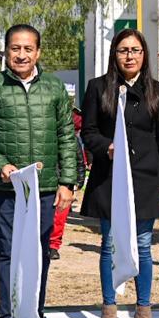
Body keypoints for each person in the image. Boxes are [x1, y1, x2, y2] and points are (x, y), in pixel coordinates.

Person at [0, 24, 77, 318]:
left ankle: (35, 315)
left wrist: (67, 182)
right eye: (15, 48)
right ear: (6, 51)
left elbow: (67, 137)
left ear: (38, 52)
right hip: (7, 188)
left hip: (45, 189)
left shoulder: (54, 88)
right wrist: (0, 165)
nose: (21, 55)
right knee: (7, 253)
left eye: (28, 49)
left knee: (40, 254)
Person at [80, 29, 159, 318]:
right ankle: (109, 309)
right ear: (114, 54)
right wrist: (106, 146)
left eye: (135, 50)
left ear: (144, 55)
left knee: (143, 246)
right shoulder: (97, 88)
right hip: (110, 179)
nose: (129, 56)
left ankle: (143, 311)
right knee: (109, 244)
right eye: (123, 50)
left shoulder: (157, 91)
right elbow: (88, 131)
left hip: (146, 179)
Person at [48, 106, 87, 262]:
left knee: (59, 218)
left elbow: (80, 162)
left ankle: (54, 246)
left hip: (64, 183)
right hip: (47, 182)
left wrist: (78, 183)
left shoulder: (72, 139)